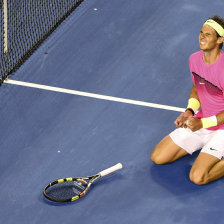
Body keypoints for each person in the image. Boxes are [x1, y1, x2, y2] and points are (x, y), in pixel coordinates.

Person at [151, 15, 224, 185]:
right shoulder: (195, 59)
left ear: (220, 39)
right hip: (202, 121)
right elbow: (197, 87)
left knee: (198, 177)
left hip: (221, 128)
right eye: (201, 32)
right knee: (158, 157)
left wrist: (203, 124)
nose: (202, 37)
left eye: (208, 34)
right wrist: (190, 110)